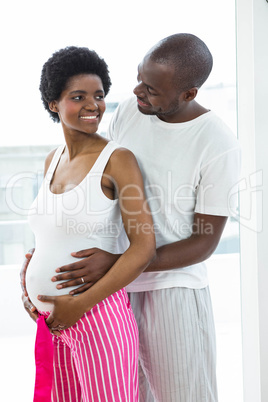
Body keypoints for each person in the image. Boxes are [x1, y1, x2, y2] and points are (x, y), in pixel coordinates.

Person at [21, 34, 241, 402]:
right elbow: (98, 191)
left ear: (188, 94)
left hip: (172, 290)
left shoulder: (217, 143)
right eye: (140, 78)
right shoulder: (130, 112)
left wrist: (117, 263)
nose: (138, 91)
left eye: (152, 89)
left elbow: (204, 242)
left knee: (181, 395)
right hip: (116, 292)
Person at [21, 46, 155, 402]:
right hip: (53, 325)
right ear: (53, 103)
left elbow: (143, 247)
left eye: (98, 95)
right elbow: (55, 232)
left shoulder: (118, 160)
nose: (93, 105)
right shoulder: (53, 159)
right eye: (78, 97)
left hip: (98, 319)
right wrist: (31, 271)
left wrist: (79, 305)